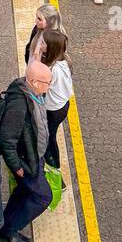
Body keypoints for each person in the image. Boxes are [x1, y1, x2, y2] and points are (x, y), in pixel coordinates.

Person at [0, 60, 55, 242]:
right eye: (47, 82)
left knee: (24, 192)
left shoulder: (33, 93)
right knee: (43, 197)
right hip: (26, 162)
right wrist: (16, 166)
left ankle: (4, 223)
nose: (49, 86)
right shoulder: (18, 105)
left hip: (33, 157)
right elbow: (7, 139)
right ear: (35, 82)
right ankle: (9, 229)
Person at [40, 29, 73, 172]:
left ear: (51, 48)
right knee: (49, 135)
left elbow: (39, 89)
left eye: (42, 42)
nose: (39, 44)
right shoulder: (64, 60)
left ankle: (54, 168)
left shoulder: (51, 70)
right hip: (63, 105)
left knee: (49, 138)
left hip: (53, 110)